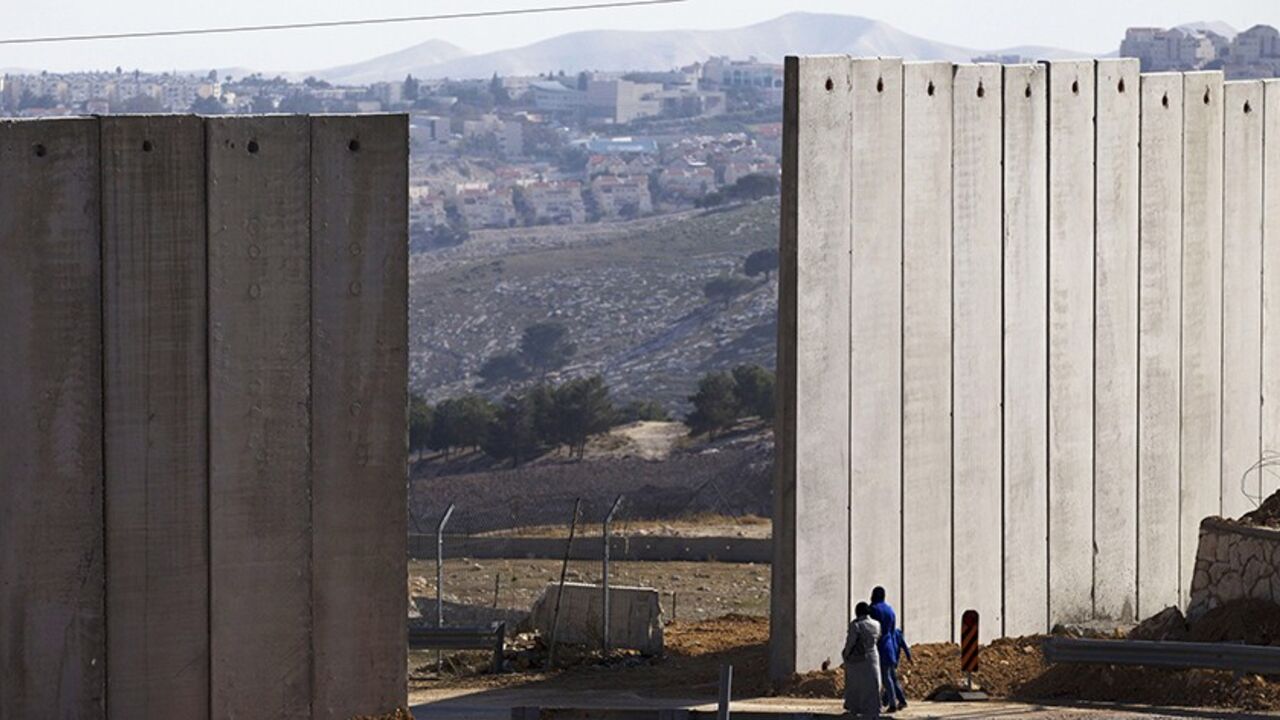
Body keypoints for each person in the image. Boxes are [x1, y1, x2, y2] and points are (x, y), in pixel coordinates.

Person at [868, 586, 906, 712]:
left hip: (879, 646)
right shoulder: (890, 610)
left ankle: (892, 703)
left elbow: (871, 629)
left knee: (885, 677)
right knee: (891, 676)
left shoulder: (873, 609)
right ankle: (900, 700)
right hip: (890, 645)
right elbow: (892, 629)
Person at [842, 601, 881, 718]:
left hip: (857, 660)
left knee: (856, 685)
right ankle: (874, 708)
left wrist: (845, 654)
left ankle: (855, 707)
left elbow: (851, 642)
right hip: (873, 656)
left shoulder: (856, 625)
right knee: (872, 684)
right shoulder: (877, 624)